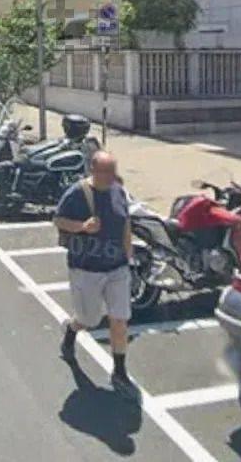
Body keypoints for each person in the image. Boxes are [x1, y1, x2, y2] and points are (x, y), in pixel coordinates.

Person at [53, 149, 136, 397]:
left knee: (119, 320)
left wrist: (129, 256)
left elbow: (126, 223)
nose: (110, 176)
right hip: (86, 269)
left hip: (117, 268)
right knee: (89, 320)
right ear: (93, 170)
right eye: (105, 171)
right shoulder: (77, 193)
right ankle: (71, 330)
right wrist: (82, 226)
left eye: (112, 171)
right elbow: (58, 220)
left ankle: (119, 371)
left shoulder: (119, 191)